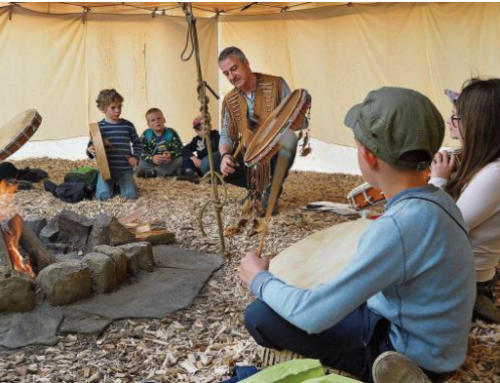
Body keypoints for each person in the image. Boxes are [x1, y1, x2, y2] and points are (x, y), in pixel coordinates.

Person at [239, 87, 476, 383]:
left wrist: (257, 278)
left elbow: (313, 316)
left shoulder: (400, 226)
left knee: (259, 317)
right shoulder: (439, 200)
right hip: (435, 343)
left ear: (367, 156)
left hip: (408, 354)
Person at [430, 79, 500, 323]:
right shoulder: (485, 164)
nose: (450, 121)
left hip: (465, 279)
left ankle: (471, 304)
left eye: (456, 117)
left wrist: (437, 182)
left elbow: (442, 229)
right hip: (468, 272)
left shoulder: (495, 174)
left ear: (479, 124)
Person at [202, 46, 301, 214]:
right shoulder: (230, 99)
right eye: (226, 73)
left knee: (290, 138)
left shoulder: (276, 84)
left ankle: (272, 191)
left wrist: (283, 122)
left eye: (234, 68)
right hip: (250, 154)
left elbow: (299, 122)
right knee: (208, 164)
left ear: (246, 63)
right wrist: (226, 155)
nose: (231, 76)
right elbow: (226, 134)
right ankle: (256, 189)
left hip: (274, 152)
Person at [87, 89, 141, 201]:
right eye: (113, 107)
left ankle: (119, 185)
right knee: (103, 196)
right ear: (102, 108)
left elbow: (138, 144)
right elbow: (91, 147)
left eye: (120, 106)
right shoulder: (98, 127)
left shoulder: (128, 126)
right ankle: (105, 182)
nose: (118, 110)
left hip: (124, 170)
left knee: (131, 196)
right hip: (106, 171)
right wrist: (90, 150)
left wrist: (135, 157)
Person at [135, 108, 184, 178]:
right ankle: (163, 172)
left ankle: (153, 173)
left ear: (164, 120)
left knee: (181, 160)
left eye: (159, 118)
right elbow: (140, 151)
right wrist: (152, 158)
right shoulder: (146, 134)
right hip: (152, 163)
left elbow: (180, 149)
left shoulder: (171, 132)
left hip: (167, 162)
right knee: (139, 161)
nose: (157, 122)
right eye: (153, 120)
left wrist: (171, 154)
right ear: (148, 124)